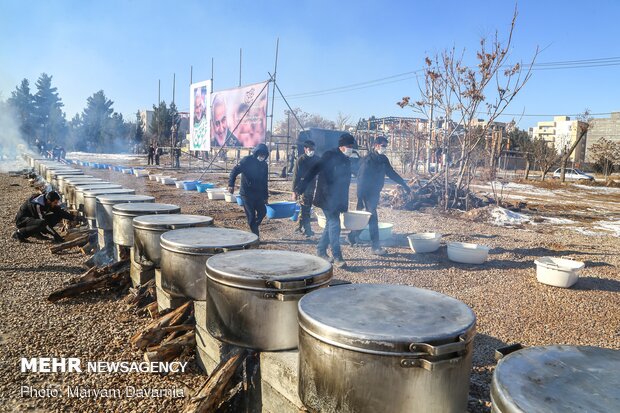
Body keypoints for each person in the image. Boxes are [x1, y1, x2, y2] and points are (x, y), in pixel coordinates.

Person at [295, 133, 356, 268]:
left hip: (338, 198)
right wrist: (301, 186)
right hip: (326, 196)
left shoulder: (346, 159)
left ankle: (321, 250)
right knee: (335, 224)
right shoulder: (330, 155)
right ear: (341, 146)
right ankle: (337, 256)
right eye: (349, 146)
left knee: (330, 224)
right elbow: (314, 169)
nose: (351, 148)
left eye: (352, 146)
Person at [349, 136, 411, 255]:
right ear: (376, 145)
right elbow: (361, 180)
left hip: (375, 192)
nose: (385, 148)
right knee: (373, 218)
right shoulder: (368, 160)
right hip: (366, 193)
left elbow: (391, 173)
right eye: (383, 146)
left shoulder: (383, 159)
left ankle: (352, 236)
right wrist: (360, 199)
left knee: (366, 217)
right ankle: (375, 247)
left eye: (385, 146)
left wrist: (404, 184)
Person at [228, 143, 269, 237]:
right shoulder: (247, 160)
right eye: (260, 154)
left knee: (263, 212)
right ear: (256, 153)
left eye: (264, 155)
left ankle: (254, 226)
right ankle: (255, 236)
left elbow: (264, 182)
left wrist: (265, 196)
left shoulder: (264, 165)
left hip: (258, 193)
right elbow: (234, 171)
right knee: (251, 216)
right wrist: (231, 184)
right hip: (247, 193)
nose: (262, 157)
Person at [12, 191, 82, 243]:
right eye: (55, 203)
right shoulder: (37, 205)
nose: (56, 204)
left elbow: (59, 211)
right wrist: (56, 235)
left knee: (59, 213)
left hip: (33, 219)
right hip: (22, 221)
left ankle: (36, 232)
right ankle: (18, 233)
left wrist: (74, 218)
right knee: (42, 223)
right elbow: (43, 222)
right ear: (49, 201)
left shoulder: (47, 200)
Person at [292, 140, 319, 237]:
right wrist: (294, 191)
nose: (312, 151)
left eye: (313, 149)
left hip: (312, 187)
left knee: (305, 208)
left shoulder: (316, 159)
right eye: (310, 149)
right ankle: (307, 230)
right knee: (306, 208)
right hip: (303, 188)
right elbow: (295, 176)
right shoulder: (301, 160)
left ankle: (300, 226)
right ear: (305, 149)